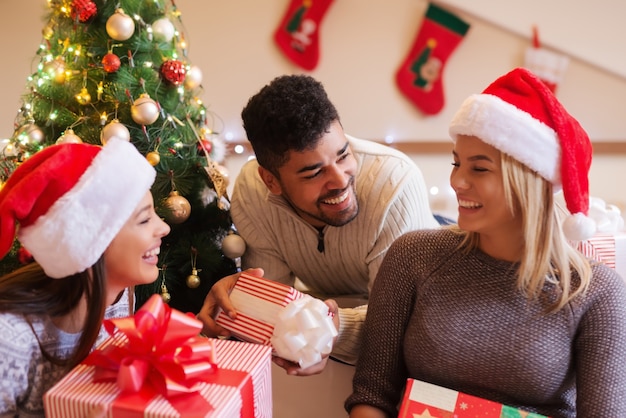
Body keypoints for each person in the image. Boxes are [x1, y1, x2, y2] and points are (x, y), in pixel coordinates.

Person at [345, 67, 626, 417]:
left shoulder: (596, 293)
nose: (457, 181)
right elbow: (373, 395)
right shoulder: (413, 257)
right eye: (456, 162)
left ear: (529, 181)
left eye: (479, 169)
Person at [197, 74, 439, 374]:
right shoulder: (252, 190)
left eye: (343, 155)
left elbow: (398, 326)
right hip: (340, 300)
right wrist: (243, 304)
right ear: (270, 180)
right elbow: (275, 310)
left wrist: (326, 330)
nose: (340, 180)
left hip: (432, 302)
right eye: (314, 173)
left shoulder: (395, 184)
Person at [0, 139, 172, 416]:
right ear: (91, 243)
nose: (163, 227)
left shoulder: (119, 297)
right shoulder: (9, 340)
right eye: (144, 220)